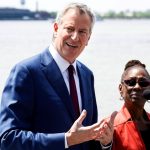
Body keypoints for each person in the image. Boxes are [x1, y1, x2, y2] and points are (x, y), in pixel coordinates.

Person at [0, 2, 115, 150]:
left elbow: (86, 139)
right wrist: (66, 140)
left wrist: (105, 143)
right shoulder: (26, 72)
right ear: (56, 28)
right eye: (70, 29)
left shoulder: (87, 75)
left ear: (89, 38)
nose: (75, 37)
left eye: (82, 32)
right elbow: (8, 139)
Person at [111, 60, 150, 149]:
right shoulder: (110, 127)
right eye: (131, 82)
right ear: (121, 89)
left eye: (143, 83)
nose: (137, 87)